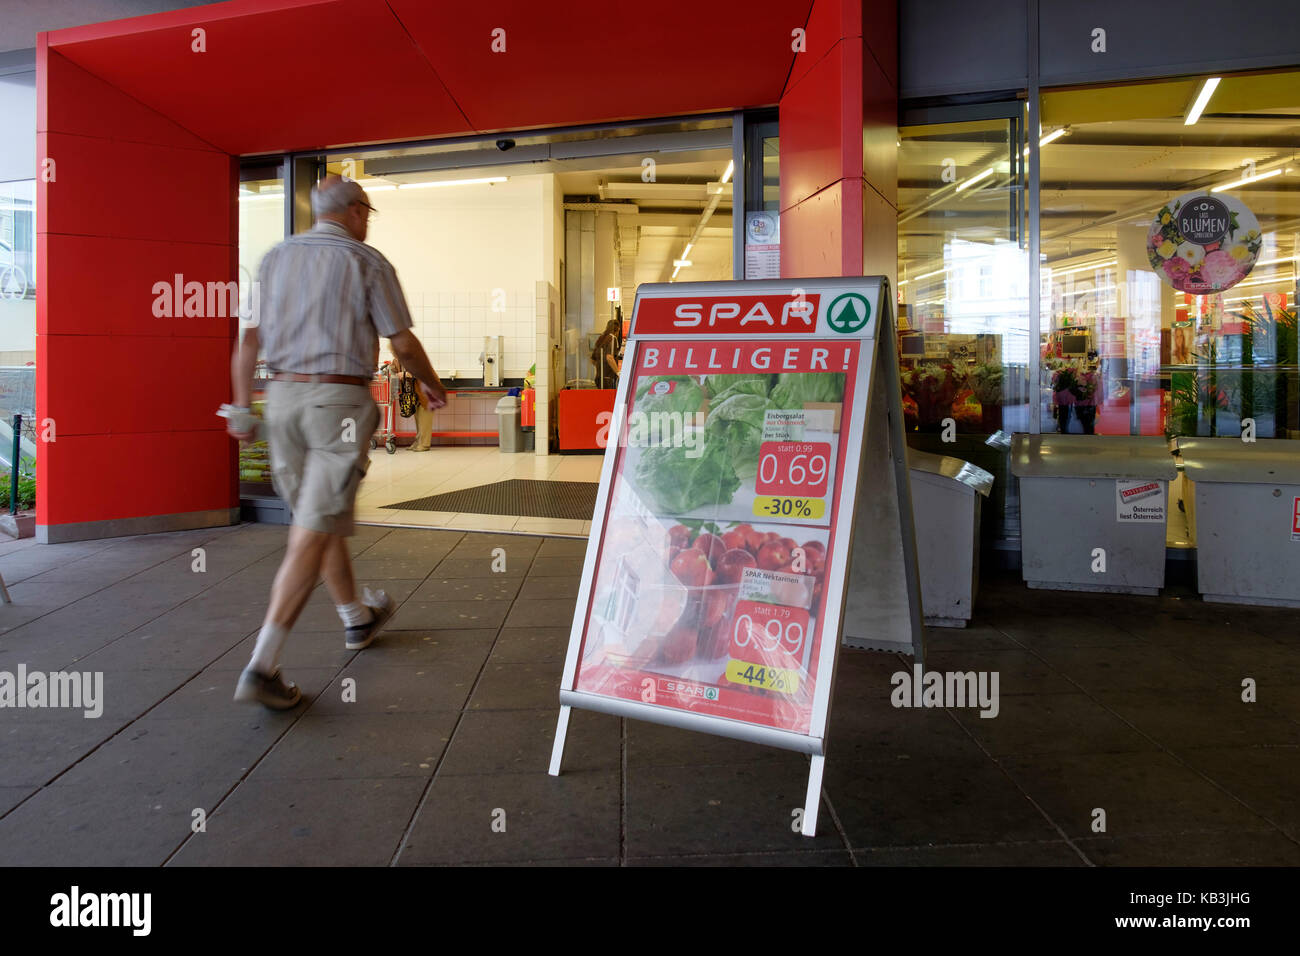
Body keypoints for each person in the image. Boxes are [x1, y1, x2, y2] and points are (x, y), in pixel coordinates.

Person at [221, 175, 447, 709]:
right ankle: (262, 665)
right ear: (355, 212)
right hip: (337, 406)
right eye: (368, 212)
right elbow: (402, 342)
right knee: (312, 529)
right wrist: (432, 384)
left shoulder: (274, 259)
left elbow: (246, 341)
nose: (368, 221)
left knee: (315, 522)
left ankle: (356, 618)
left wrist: (239, 407)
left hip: (281, 403)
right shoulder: (367, 262)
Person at [391, 354, 434, 451]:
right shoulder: (397, 360)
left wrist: (405, 374)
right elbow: (392, 370)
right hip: (415, 393)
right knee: (418, 419)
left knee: (425, 419)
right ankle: (418, 442)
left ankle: (424, 444)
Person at [591, 318, 622, 389]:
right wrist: (618, 373)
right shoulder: (613, 338)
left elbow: (592, 360)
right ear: (617, 330)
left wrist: (601, 367)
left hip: (599, 377)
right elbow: (609, 357)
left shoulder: (601, 338)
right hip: (608, 378)